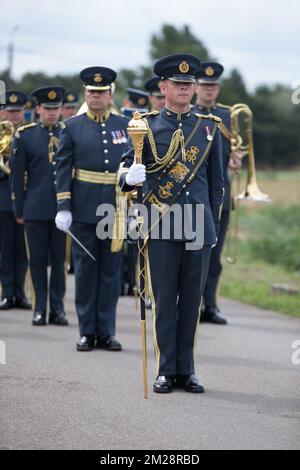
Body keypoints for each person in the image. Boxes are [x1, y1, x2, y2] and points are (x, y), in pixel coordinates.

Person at [119, 54, 224, 394]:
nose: (185, 89)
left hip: (198, 228)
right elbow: (123, 172)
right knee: (165, 301)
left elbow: (217, 184)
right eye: (178, 84)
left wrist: (212, 226)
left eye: (189, 84)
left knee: (191, 302)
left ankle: (187, 370)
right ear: (163, 87)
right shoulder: (144, 125)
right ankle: (166, 370)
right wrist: (128, 176)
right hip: (162, 225)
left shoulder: (209, 128)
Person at [55, 66, 128, 352]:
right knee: (85, 272)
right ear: (86, 94)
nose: (96, 96)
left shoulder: (124, 125)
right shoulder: (72, 126)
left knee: (111, 274)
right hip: (83, 209)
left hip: (115, 209)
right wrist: (63, 205)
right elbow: (62, 169)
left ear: (111, 94)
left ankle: (107, 331)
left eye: (101, 92)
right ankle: (87, 331)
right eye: (91, 92)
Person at [10, 86, 68, 326]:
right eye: (48, 109)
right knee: (36, 261)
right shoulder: (25, 135)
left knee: (59, 263)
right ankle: (39, 307)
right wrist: (19, 209)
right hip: (35, 208)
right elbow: (16, 175)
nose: (52, 113)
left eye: (56, 109)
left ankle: (57, 308)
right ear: (38, 109)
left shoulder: (68, 132)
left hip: (62, 208)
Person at [193, 62, 241, 324]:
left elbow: (235, 152)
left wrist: (237, 160)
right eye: (204, 86)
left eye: (213, 86)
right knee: (193, 253)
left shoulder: (227, 116)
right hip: (195, 194)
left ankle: (210, 305)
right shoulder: (189, 115)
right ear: (196, 87)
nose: (209, 90)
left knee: (215, 255)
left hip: (221, 196)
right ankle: (190, 303)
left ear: (218, 88)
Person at [0, 91, 30, 310]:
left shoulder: (29, 134)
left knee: (23, 250)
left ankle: (20, 293)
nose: (14, 116)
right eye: (10, 111)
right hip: (2, 197)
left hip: (27, 198)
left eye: (18, 112)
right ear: (2, 113)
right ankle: (7, 292)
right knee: (5, 249)